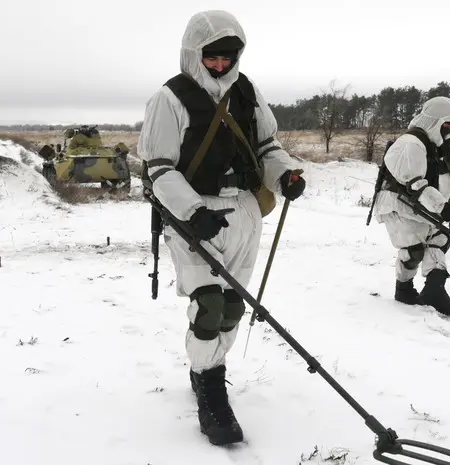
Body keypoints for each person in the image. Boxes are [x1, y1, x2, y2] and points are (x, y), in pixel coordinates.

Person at [137, 9, 305, 446]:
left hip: (245, 210)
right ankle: (210, 387)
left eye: (229, 56)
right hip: (194, 215)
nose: (221, 65)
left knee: (233, 307)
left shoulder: (247, 92)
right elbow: (159, 167)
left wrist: (284, 174)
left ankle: (208, 371)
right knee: (210, 306)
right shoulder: (169, 98)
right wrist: (192, 211)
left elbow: (267, 146)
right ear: (195, 53)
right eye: (212, 57)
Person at [372, 96, 450, 317]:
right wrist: (441, 207)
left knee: (439, 238)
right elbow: (415, 183)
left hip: (409, 202)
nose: (449, 132)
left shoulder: (424, 143)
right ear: (436, 121)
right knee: (414, 249)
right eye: (447, 126)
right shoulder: (410, 144)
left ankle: (433, 289)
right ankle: (405, 290)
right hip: (396, 203)